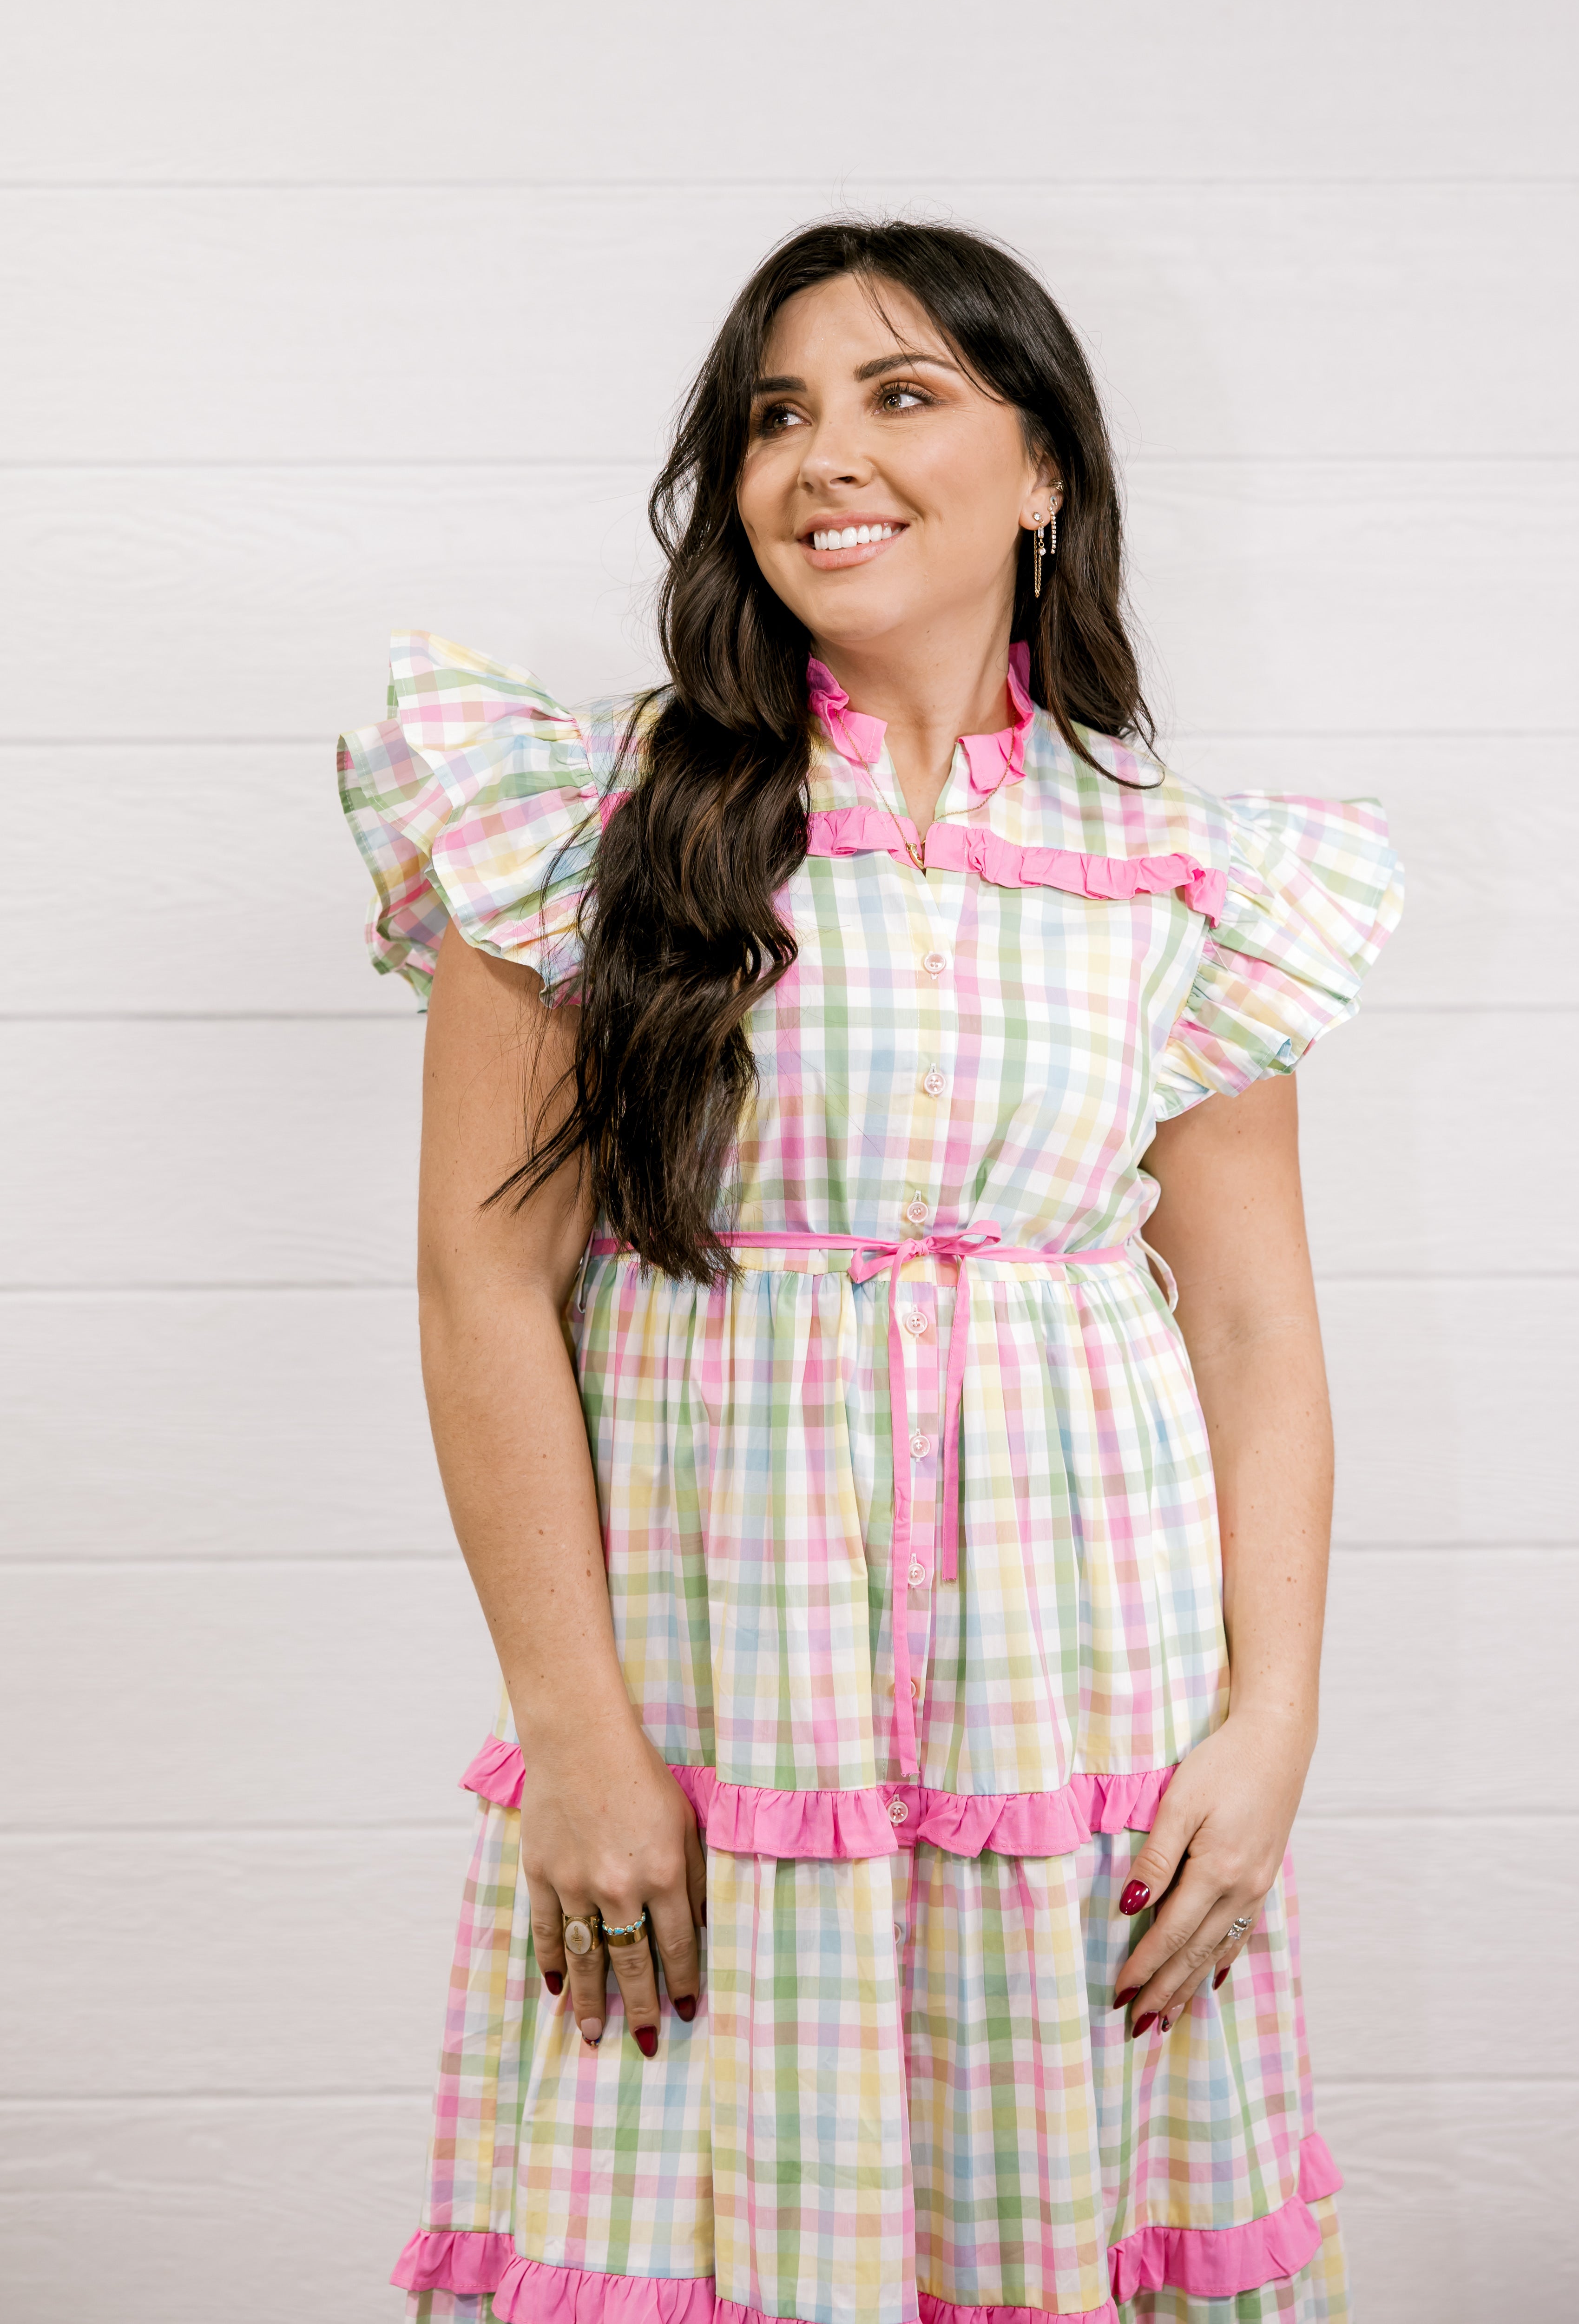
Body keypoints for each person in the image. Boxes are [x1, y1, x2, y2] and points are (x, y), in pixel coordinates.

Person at [339, 219, 1401, 2324]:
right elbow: (482, 1289)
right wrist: (576, 1732)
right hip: (722, 1717)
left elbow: (1263, 1331)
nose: (826, 453)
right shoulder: (596, 821)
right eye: (778, 413)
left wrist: (1269, 1717)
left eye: (903, 395)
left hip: (1079, 1723)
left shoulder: (1177, 865)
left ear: (1046, 475)